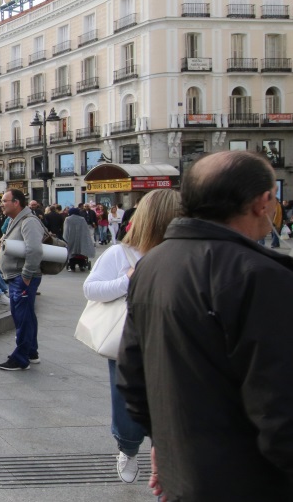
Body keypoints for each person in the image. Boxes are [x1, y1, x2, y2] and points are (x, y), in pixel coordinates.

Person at [118, 152, 293, 500]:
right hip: (251, 481)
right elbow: (279, 402)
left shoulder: (152, 265)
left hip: (184, 472)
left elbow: (132, 377)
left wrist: (164, 446)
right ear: (263, 202)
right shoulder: (261, 275)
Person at [83, 189, 181, 485]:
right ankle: (127, 447)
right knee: (127, 397)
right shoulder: (120, 253)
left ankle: (166, 450)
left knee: (172, 398)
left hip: (174, 336)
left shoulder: (183, 253)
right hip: (129, 338)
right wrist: (128, 279)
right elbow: (91, 289)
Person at [0, 189, 43, 371]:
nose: (1, 204)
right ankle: (31, 351)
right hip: (17, 276)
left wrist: (26, 275)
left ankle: (21, 358)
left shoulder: (29, 221)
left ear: (16, 202)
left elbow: (35, 250)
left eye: (4, 200)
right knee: (27, 315)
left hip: (21, 277)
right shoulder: (13, 220)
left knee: (22, 317)